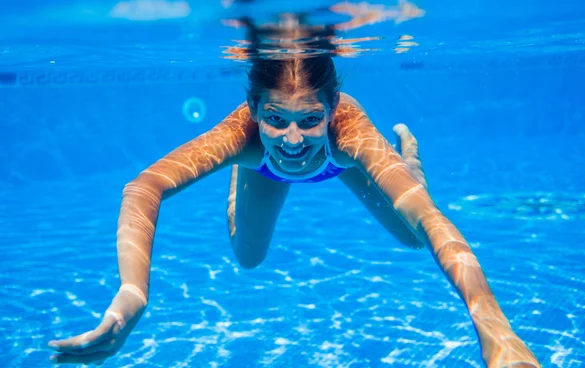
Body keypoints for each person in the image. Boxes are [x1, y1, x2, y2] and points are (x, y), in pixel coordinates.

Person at [47, 50, 540, 366]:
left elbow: (434, 226)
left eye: (310, 119)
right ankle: (244, 175)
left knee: (414, 235)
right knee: (248, 257)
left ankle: (408, 164)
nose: (293, 138)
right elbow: (143, 188)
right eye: (275, 119)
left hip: (342, 163)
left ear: (331, 108)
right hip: (259, 168)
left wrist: (496, 331)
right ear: (255, 112)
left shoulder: (350, 135)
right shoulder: (240, 135)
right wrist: (133, 290)